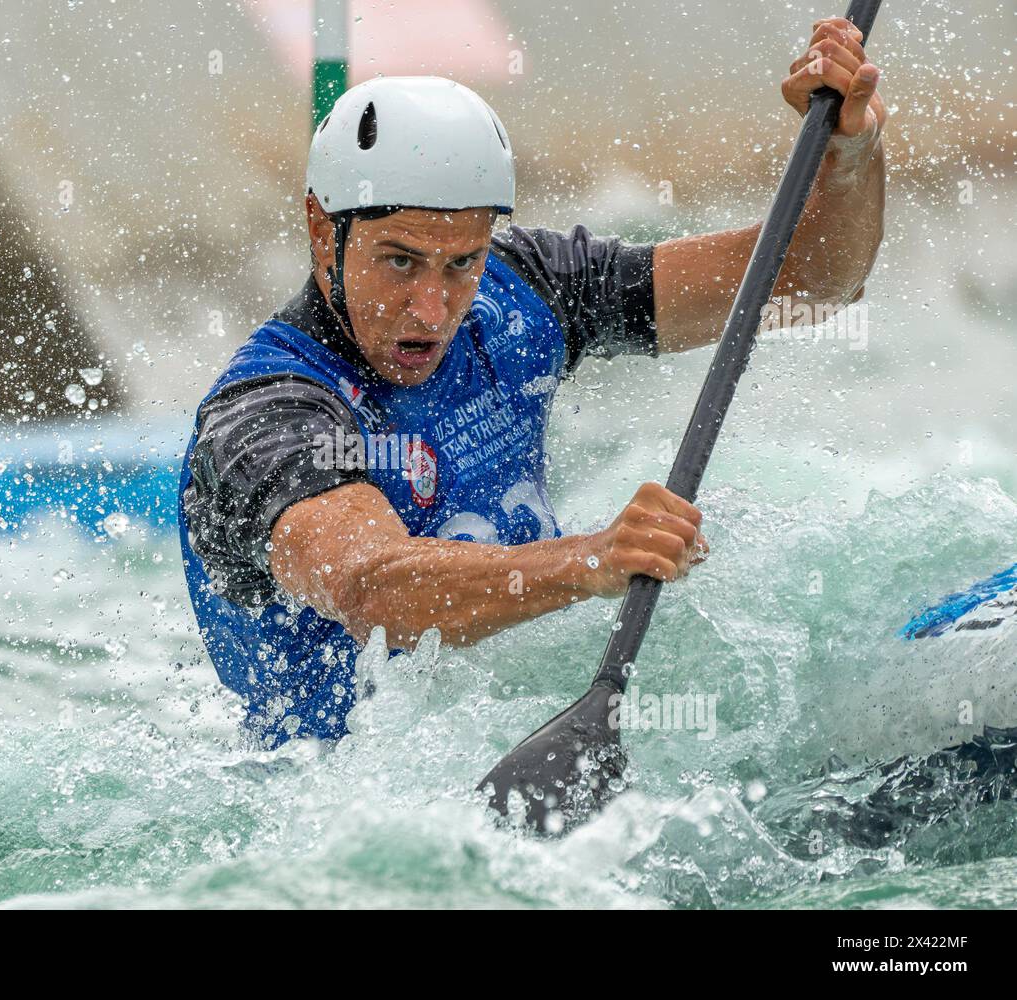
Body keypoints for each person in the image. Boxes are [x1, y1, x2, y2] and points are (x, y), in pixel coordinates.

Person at [178, 17, 886, 748]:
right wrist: (591, 560)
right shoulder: (268, 414)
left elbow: (808, 281)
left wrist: (848, 148)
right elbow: (372, 588)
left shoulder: (527, 289)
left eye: (462, 262)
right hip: (344, 790)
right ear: (324, 231)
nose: (432, 308)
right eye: (399, 261)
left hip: (519, 721)